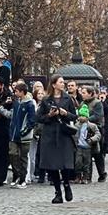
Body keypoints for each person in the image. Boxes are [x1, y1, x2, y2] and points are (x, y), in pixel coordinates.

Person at [36, 74, 77, 204]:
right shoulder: (46, 100)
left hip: (63, 135)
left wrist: (65, 114)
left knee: (64, 164)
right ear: (54, 84)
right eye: (60, 82)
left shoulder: (67, 98)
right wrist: (49, 115)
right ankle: (57, 192)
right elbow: (38, 117)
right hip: (49, 135)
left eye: (63, 82)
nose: (63, 84)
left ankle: (66, 185)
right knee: (52, 165)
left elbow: (74, 116)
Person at [4, 81, 36, 188]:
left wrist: (24, 131)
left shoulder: (30, 104)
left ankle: (23, 178)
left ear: (22, 92)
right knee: (12, 154)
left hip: (24, 136)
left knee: (23, 157)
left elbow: (32, 121)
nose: (15, 93)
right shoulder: (16, 102)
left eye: (17, 91)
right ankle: (16, 174)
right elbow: (12, 116)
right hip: (13, 134)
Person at [82, 86, 108, 182]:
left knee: (98, 153)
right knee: (87, 153)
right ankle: (88, 175)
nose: (82, 94)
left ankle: (102, 173)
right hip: (85, 129)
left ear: (90, 93)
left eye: (84, 93)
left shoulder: (97, 103)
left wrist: (86, 119)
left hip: (96, 129)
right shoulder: (82, 103)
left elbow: (98, 116)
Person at [73, 104, 101, 184]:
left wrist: (92, 139)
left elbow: (98, 134)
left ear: (87, 117)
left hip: (88, 147)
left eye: (83, 116)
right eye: (80, 116)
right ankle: (78, 176)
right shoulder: (76, 125)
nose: (81, 118)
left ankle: (86, 176)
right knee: (78, 162)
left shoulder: (92, 126)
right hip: (79, 146)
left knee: (87, 163)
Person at [29, 82, 45, 183]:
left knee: (42, 153)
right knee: (32, 154)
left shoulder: (46, 104)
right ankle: (33, 173)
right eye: (38, 92)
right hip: (34, 131)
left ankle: (42, 173)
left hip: (43, 131)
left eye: (41, 92)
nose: (40, 95)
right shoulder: (32, 103)